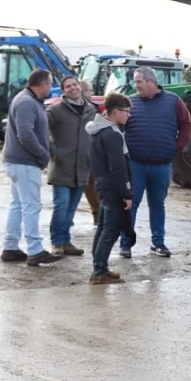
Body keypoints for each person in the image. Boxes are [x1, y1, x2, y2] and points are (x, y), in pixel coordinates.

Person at [119, 67, 191, 259]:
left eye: (138, 82)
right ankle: (126, 243)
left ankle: (158, 243)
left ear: (151, 82)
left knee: (157, 204)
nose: (136, 86)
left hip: (162, 165)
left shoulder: (173, 101)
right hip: (135, 164)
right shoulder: (130, 102)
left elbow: (186, 124)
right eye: (135, 82)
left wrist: (178, 146)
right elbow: (117, 124)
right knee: (130, 204)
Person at [0, 69, 61, 266]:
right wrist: (43, 156)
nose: (51, 88)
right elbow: (25, 134)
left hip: (18, 162)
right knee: (31, 206)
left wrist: (50, 148)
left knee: (18, 204)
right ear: (42, 84)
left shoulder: (30, 101)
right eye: (50, 84)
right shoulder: (27, 102)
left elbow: (37, 131)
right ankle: (35, 250)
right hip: (24, 163)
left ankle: (10, 247)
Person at [86, 92, 134, 285]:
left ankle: (100, 267)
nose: (128, 115)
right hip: (112, 188)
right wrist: (126, 193)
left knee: (103, 228)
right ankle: (99, 272)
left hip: (101, 185)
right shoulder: (112, 134)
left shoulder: (96, 130)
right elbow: (118, 167)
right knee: (110, 231)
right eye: (126, 112)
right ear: (114, 112)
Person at [46, 75, 97, 256]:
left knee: (71, 207)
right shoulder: (55, 111)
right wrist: (53, 151)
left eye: (75, 84)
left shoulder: (91, 110)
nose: (73, 88)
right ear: (63, 91)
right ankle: (56, 242)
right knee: (61, 205)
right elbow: (41, 130)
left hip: (83, 167)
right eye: (68, 86)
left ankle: (66, 241)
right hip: (62, 166)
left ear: (80, 87)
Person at [80, 79, 102, 225]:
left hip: (91, 154)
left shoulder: (95, 109)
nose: (92, 93)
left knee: (92, 186)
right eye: (89, 90)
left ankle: (97, 215)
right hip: (76, 156)